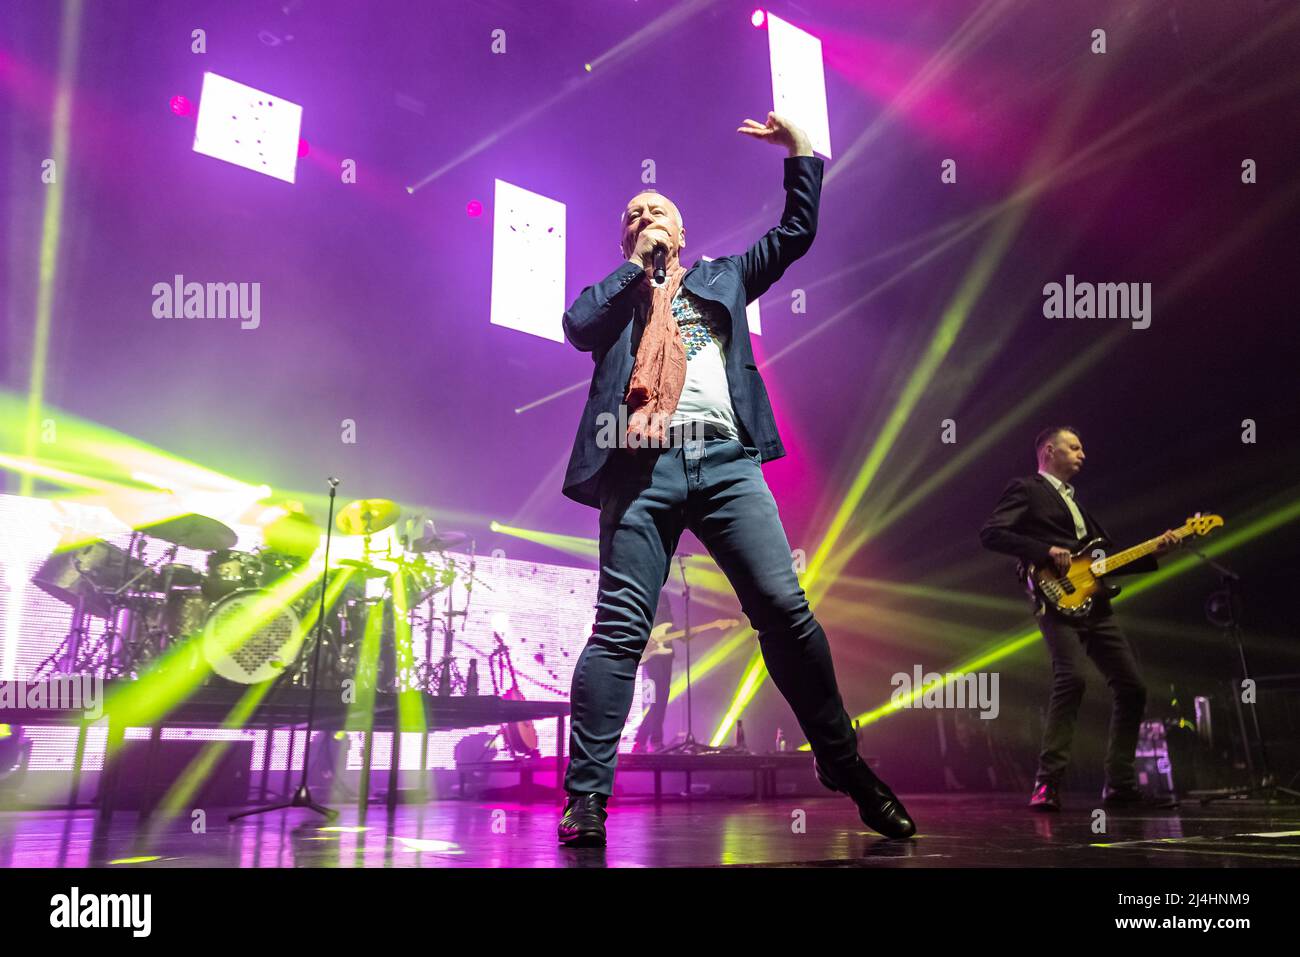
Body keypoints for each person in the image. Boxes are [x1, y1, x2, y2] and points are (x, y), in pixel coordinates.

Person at [556, 112, 916, 847]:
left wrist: (801, 152)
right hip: (638, 465)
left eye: (656, 212)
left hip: (724, 460)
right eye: (632, 217)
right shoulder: (617, 293)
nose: (643, 217)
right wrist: (634, 269)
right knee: (620, 629)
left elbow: (795, 235)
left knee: (786, 610)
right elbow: (577, 323)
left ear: (681, 236)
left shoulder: (721, 277)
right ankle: (587, 797)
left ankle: (844, 763)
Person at [979, 426, 1179, 811]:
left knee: (1133, 687)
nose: (1083, 453)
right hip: (1054, 598)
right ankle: (1046, 783)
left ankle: (1119, 785)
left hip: (1096, 605)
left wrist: (1159, 551)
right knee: (1071, 678)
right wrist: (1043, 549)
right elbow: (991, 533)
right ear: (1050, 451)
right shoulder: (1026, 488)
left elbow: (1103, 563)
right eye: (1075, 446)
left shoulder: (1078, 505)